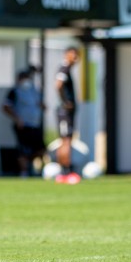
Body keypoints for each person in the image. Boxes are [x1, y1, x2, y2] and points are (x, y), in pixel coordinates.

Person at [2, 68, 46, 177]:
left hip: (34, 125)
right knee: (23, 150)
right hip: (23, 126)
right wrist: (17, 119)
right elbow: (6, 106)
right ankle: (24, 172)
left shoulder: (34, 91)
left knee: (41, 149)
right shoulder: (15, 91)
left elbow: (40, 104)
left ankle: (33, 167)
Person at [54, 47, 80, 183]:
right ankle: (66, 171)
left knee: (66, 140)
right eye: (73, 55)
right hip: (65, 112)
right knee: (66, 141)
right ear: (67, 55)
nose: (76, 58)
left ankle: (64, 172)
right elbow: (58, 85)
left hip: (67, 112)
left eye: (77, 55)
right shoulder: (64, 68)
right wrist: (65, 101)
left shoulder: (67, 69)